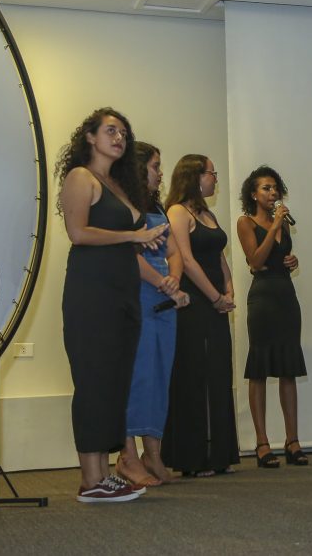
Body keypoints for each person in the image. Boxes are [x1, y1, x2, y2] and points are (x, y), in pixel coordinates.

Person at [55, 108, 168, 503]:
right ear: (89, 136)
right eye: (110, 131)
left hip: (123, 293)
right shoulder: (80, 177)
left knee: (115, 383)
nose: (119, 138)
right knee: (93, 382)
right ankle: (90, 480)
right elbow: (78, 232)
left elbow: (129, 236)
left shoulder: (118, 184)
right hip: (92, 292)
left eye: (123, 132)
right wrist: (132, 237)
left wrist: (143, 239)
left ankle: (104, 475)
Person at [161, 154, 240, 476]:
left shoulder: (207, 213)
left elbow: (219, 256)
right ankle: (194, 456)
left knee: (218, 374)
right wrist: (215, 297)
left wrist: (229, 290)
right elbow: (186, 260)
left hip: (216, 303)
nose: (215, 178)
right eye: (211, 173)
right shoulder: (177, 212)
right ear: (194, 177)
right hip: (194, 304)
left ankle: (218, 453)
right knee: (195, 376)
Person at [116, 142, 190, 487]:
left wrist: (173, 277)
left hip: (165, 300)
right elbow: (128, 255)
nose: (161, 173)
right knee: (137, 377)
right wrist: (163, 282)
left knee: (161, 375)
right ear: (139, 167)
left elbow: (174, 251)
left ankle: (153, 455)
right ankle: (127, 456)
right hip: (139, 296)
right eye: (156, 166)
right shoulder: (122, 205)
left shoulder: (157, 206)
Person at [236, 166, 309, 468]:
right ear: (253, 194)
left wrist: (292, 260)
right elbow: (255, 260)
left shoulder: (284, 225)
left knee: (288, 368)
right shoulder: (246, 222)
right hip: (263, 298)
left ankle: (292, 441)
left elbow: (278, 257)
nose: (273, 192)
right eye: (266, 188)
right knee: (260, 369)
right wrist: (274, 225)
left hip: (285, 296)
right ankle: (262, 443)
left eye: (275, 187)